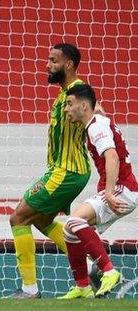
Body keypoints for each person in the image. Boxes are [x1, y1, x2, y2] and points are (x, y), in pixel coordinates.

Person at [5, 43, 95, 298]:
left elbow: (97, 111)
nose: (48, 64)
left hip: (66, 172)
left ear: (68, 64)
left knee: (18, 218)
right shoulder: (66, 93)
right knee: (42, 220)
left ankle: (29, 289)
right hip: (62, 170)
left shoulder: (78, 92)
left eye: (54, 60)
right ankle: (91, 267)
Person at [57, 83, 136, 299]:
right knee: (69, 232)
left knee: (73, 222)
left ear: (84, 106)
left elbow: (112, 156)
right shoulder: (98, 121)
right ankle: (83, 286)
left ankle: (109, 271)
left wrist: (109, 192)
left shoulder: (95, 126)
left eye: (70, 104)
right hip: (122, 188)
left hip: (121, 189)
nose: (66, 109)